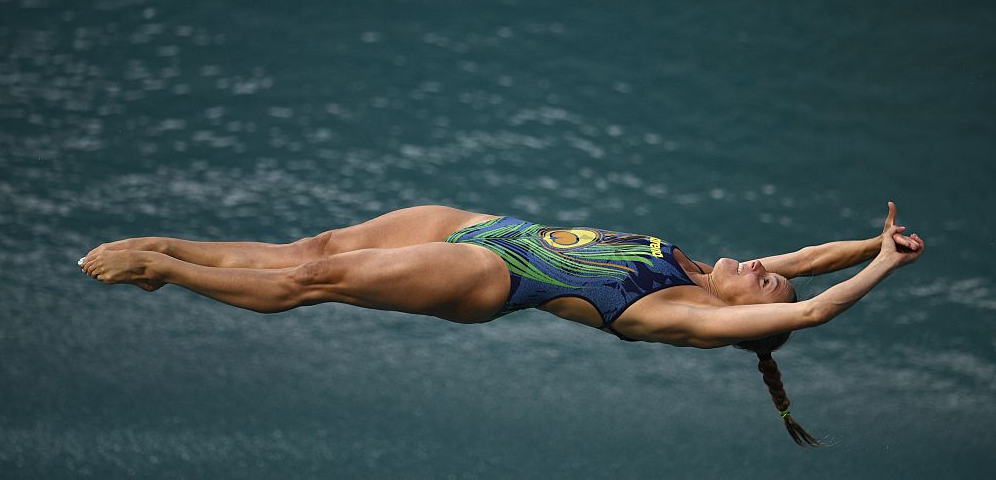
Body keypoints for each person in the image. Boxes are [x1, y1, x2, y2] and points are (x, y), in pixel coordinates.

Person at [78, 200, 925, 446]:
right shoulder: (706, 271)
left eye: (764, 279)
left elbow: (809, 305)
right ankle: (169, 248)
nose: (766, 265)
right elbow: (811, 265)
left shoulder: (680, 314)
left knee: (313, 279)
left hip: (494, 271)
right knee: (316, 242)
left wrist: (884, 270)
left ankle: (161, 269)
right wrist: (872, 239)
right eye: (768, 266)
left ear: (749, 319)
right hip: (486, 225)